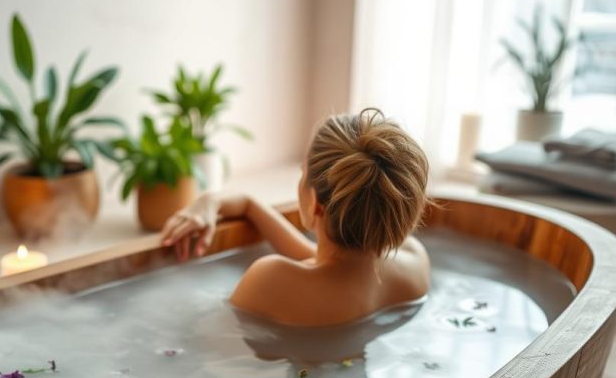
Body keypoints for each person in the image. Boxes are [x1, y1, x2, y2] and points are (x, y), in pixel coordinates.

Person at [161, 108, 431, 327]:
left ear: (314, 203)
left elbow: (205, 344)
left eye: (303, 173)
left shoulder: (268, 280)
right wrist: (241, 204)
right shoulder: (413, 262)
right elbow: (323, 261)